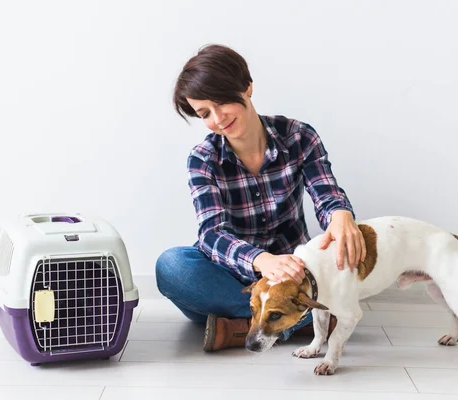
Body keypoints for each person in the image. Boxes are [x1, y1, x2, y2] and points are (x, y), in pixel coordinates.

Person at [155, 44, 366, 352]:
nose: (217, 118)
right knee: (171, 266)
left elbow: (326, 193)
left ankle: (243, 329)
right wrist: (259, 260)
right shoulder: (203, 158)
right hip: (232, 276)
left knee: (337, 249)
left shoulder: (299, 136)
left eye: (221, 102)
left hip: (291, 276)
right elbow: (212, 234)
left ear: (247, 86)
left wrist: (340, 215)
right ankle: (297, 320)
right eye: (205, 114)